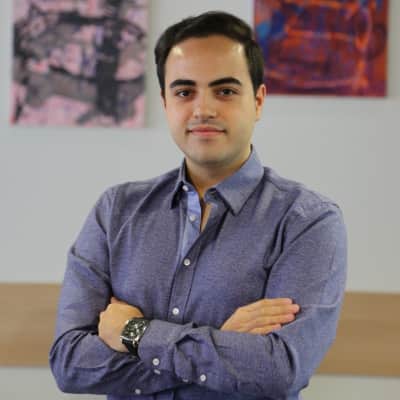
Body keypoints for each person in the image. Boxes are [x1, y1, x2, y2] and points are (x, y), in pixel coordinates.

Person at [50, 11, 347, 400]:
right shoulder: (115, 212)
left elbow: (279, 369)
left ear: (258, 101)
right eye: (184, 92)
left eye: (225, 91)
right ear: (165, 102)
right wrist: (221, 343)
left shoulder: (308, 221)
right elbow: (70, 364)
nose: (203, 109)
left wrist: (134, 333)